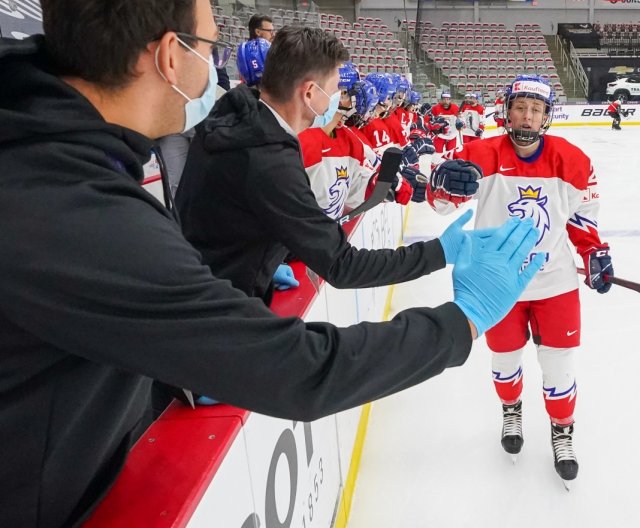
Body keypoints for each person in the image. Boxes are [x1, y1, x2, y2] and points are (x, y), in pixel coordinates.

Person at [0, 1, 542, 524]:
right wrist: (461, 320)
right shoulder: (76, 209)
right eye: (208, 45)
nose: (214, 68)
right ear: (171, 56)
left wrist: (262, 253)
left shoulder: (72, 152)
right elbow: (300, 369)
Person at [427, 74, 614, 485]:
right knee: (505, 360)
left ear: (547, 116)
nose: (527, 117)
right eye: (520, 108)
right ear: (507, 110)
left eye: (536, 110)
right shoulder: (481, 152)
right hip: (497, 288)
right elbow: (443, 203)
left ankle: (562, 433)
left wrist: (593, 252)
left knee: (558, 367)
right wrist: (442, 187)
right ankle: (511, 412)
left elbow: (583, 216)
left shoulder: (572, 160)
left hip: (555, 285)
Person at [177, 28, 451, 305]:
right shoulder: (269, 160)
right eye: (335, 91)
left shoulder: (234, 115)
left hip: (203, 282)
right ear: (309, 92)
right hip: (222, 306)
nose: (339, 101)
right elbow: (342, 266)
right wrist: (438, 253)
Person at [430, 91, 462, 157]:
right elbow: (431, 122)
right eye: (444, 99)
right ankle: (435, 167)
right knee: (437, 155)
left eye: (447, 99)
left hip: (452, 136)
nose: (445, 101)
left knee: (450, 155)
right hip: (439, 136)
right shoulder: (435, 108)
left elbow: (461, 119)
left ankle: (449, 167)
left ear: (450, 100)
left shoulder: (455, 108)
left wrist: (460, 124)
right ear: (441, 100)